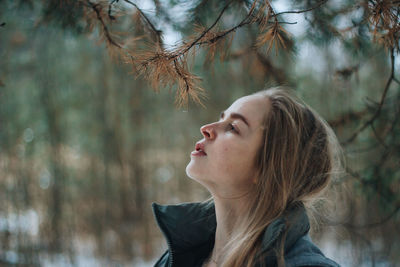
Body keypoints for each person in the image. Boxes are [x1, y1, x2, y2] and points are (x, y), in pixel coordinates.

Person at [152, 87, 343, 267]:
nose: (206, 128)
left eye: (233, 127)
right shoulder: (175, 259)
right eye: (221, 118)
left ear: (268, 167)